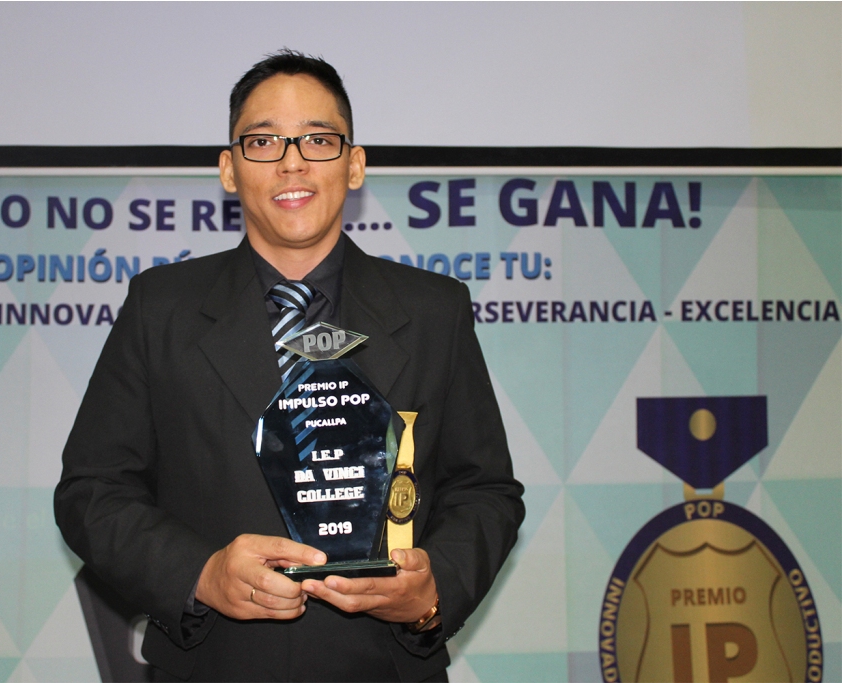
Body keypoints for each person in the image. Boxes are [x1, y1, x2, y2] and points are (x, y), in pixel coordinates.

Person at [55, 49, 524, 682]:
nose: (292, 162)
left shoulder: (433, 311)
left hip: (382, 666)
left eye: (318, 139)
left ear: (355, 165)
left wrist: (433, 590)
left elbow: (486, 490)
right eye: (263, 141)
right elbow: (92, 490)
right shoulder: (159, 309)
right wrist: (201, 574)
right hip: (214, 665)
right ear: (229, 169)